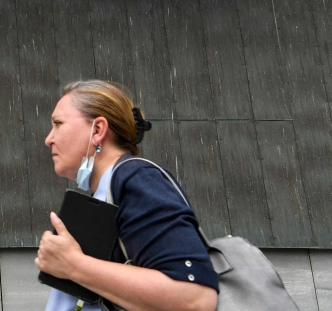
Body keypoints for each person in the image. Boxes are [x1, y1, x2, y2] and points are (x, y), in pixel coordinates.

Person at [36, 80, 218, 311]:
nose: (49, 139)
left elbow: (195, 299)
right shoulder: (107, 191)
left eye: (58, 124)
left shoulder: (138, 178)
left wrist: (74, 265)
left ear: (97, 130)